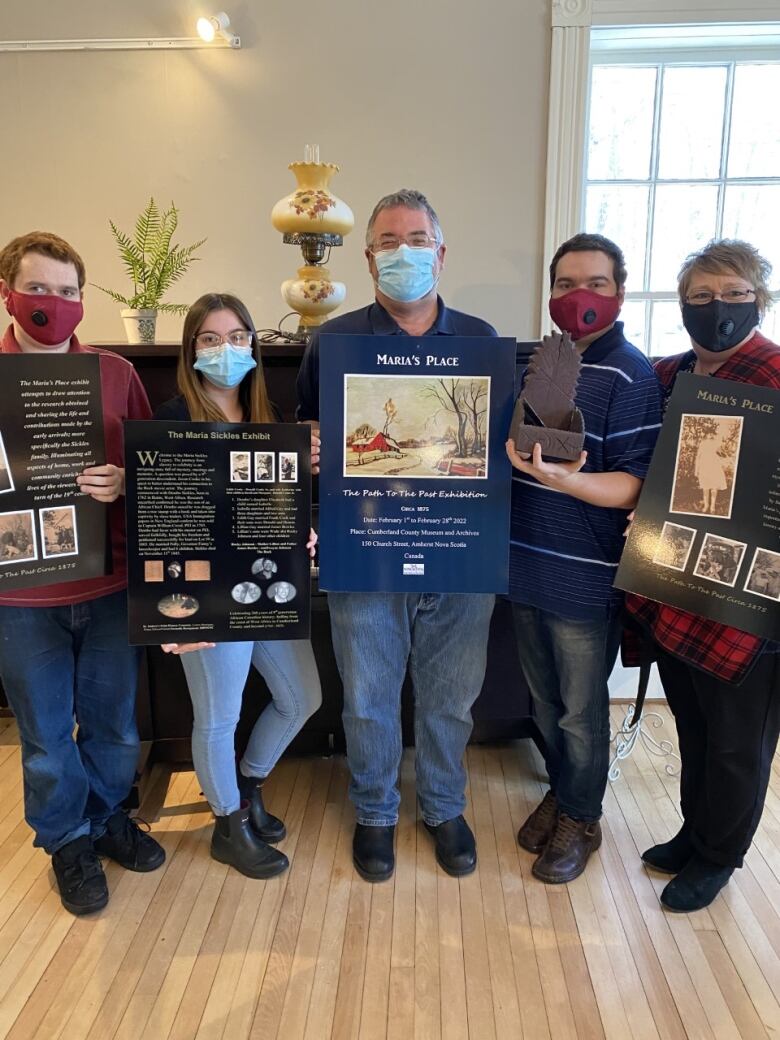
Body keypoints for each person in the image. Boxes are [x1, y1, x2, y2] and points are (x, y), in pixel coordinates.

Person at [296, 189, 497, 882]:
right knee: (369, 699)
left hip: (461, 555)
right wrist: (312, 446)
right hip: (367, 553)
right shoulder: (334, 342)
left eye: (417, 239)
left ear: (440, 254)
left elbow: (495, 450)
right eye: (388, 241)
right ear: (369, 255)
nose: (402, 251)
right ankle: (375, 811)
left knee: (450, 698)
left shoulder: (481, 342)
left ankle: (443, 807)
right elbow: (309, 433)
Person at [0, 231, 165, 915]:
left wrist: (125, 479)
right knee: (43, 733)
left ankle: (102, 818)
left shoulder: (115, 372)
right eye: (39, 288)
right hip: (19, 593)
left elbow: (157, 471)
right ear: (8, 291)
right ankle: (68, 838)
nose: (54, 304)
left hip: (107, 582)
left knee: (115, 726)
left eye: (68, 292)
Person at [625, 239, 780, 912]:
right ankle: (695, 832)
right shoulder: (667, 376)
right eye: (701, 297)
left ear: (760, 301)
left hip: (750, 596)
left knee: (737, 744)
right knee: (693, 725)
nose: (718, 309)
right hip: (675, 583)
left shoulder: (776, 377)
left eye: (735, 295)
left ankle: (721, 856)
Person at [505, 232, 662, 884]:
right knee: (543, 704)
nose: (580, 296)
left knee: (579, 708)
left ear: (618, 292)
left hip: (584, 577)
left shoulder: (633, 373)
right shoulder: (537, 364)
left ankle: (582, 819)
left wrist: (564, 480)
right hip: (524, 565)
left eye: (595, 283)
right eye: (567, 284)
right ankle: (563, 790)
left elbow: (634, 481)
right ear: (551, 295)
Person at [158, 292, 322, 880]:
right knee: (218, 716)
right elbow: (166, 525)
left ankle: (246, 789)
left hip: (267, 587)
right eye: (208, 337)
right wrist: (173, 614)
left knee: (302, 697)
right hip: (208, 597)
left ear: (252, 345)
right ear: (191, 349)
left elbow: (275, 509)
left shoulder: (270, 420)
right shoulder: (172, 422)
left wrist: (299, 531)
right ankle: (227, 825)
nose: (223, 348)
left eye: (235, 336)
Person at [693, 431, 727, 513]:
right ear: (706, 435)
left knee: (714, 488)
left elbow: (722, 454)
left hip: (714, 467)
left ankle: (712, 507)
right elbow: (698, 457)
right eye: (709, 433)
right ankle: (706, 505)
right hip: (704, 467)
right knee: (705, 488)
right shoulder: (702, 444)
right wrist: (696, 470)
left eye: (712, 433)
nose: (710, 435)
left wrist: (723, 448)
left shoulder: (716, 443)